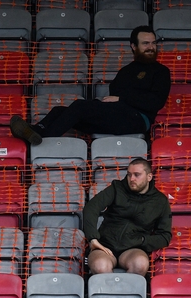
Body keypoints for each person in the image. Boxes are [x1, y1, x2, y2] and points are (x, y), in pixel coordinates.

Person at [10, 25, 171, 145]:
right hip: (116, 116)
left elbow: (155, 102)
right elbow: (113, 96)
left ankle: (42, 140)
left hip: (138, 120)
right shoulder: (126, 71)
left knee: (80, 107)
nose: (151, 47)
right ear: (133, 46)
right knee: (60, 110)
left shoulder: (161, 72)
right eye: (145, 43)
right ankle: (35, 131)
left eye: (153, 43)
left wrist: (122, 98)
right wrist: (116, 101)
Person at [82, 158, 172, 276]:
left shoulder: (160, 201)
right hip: (105, 246)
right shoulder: (117, 188)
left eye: (137, 175)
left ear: (149, 177)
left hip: (133, 249)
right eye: (129, 175)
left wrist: (143, 241)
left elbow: (165, 236)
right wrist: (93, 239)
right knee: (101, 266)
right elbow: (91, 208)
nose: (132, 179)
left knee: (140, 264)